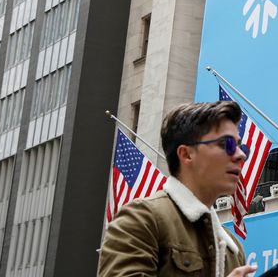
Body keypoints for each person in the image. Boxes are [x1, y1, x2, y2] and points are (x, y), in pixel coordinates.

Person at [99, 101, 258, 277]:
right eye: (226, 144)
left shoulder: (232, 248)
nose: (241, 155)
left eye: (240, 146)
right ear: (186, 154)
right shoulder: (142, 219)